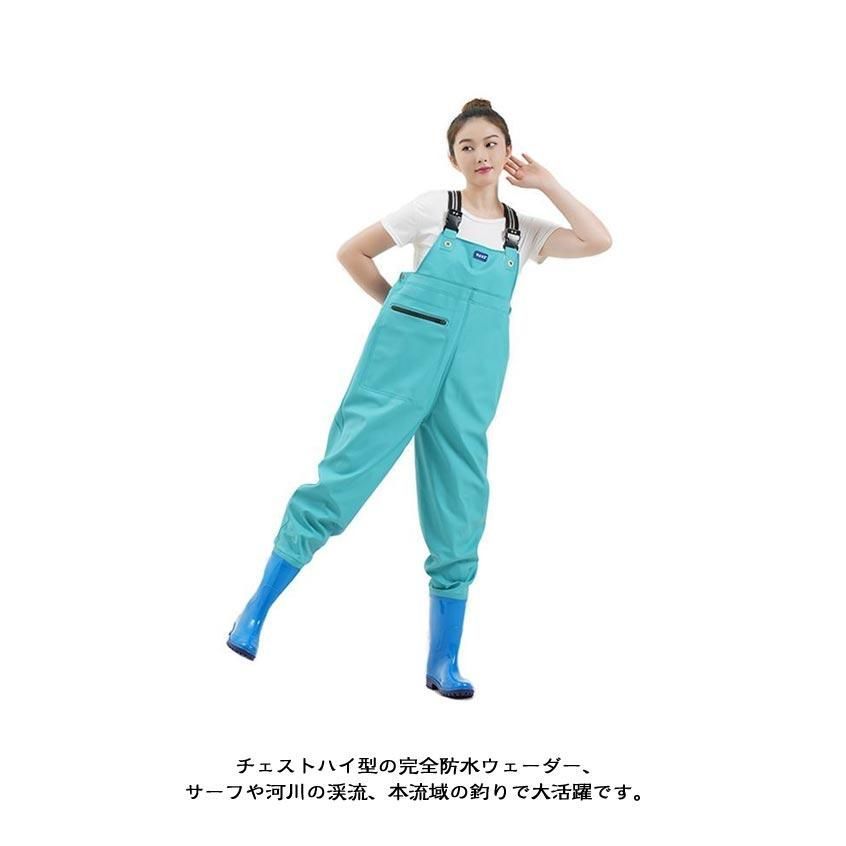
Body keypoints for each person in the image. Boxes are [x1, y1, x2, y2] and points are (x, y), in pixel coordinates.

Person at [226, 98, 613, 699]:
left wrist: (547, 183)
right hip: (400, 371)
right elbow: (352, 252)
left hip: (470, 388)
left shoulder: (523, 231)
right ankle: (254, 611)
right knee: (340, 482)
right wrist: (400, 311)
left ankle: (443, 662)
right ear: (453, 158)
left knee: (461, 510)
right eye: (467, 146)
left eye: (491, 144)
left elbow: (598, 240)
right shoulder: (436, 208)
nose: (481, 155)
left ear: (508, 151)